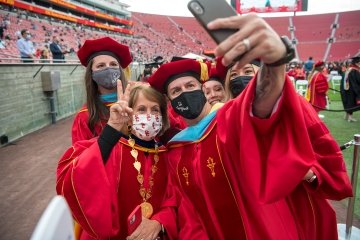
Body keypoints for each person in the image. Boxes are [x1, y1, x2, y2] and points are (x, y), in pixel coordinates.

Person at [148, 13, 352, 239]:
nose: (185, 93)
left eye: (190, 85)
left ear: (203, 88)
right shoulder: (176, 150)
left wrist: (273, 65)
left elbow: (260, 103)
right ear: (170, 102)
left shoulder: (230, 120)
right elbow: (190, 211)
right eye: (176, 91)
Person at [56, 83, 180, 240]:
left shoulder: (168, 154)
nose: (149, 115)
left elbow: (175, 201)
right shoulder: (109, 148)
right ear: (129, 115)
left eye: (155, 109)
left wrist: (159, 222)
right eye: (141, 109)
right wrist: (112, 128)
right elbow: (72, 179)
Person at [71, 37, 131, 144]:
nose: (108, 69)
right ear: (91, 73)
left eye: (113, 64)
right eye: (100, 66)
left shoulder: (139, 102)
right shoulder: (84, 117)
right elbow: (81, 157)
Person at [341, 56, 360, 122]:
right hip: (352, 90)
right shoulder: (354, 70)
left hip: (346, 89)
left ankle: (347, 116)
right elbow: (358, 81)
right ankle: (350, 118)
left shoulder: (349, 69)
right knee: (351, 103)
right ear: (357, 63)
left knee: (348, 102)